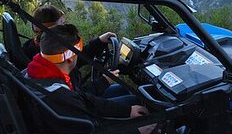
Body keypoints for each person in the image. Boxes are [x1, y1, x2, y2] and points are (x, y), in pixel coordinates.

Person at [26, 24, 155, 134]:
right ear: (70, 58)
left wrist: (127, 111)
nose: (79, 54)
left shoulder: (36, 71)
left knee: (127, 97)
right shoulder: (59, 96)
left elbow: (82, 98)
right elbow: (94, 128)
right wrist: (135, 130)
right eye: (78, 50)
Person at [23, 4, 117, 96]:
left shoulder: (39, 52)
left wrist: (99, 41)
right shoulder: (51, 59)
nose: (63, 27)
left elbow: (76, 57)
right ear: (54, 29)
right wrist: (104, 82)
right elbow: (76, 97)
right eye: (61, 24)